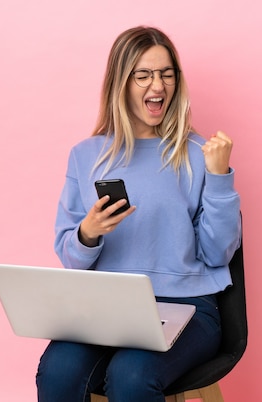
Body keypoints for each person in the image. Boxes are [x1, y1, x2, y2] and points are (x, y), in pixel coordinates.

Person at [36, 26, 242, 402]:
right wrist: (88, 233)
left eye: (166, 73)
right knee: (57, 371)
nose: (158, 86)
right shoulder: (87, 155)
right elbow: (70, 258)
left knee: (132, 374)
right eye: (143, 75)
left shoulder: (200, 153)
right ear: (121, 83)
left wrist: (219, 178)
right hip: (106, 308)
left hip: (187, 307)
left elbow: (218, 254)